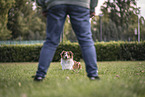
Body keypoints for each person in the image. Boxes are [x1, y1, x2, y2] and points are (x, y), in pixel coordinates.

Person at [34, 0, 100, 81]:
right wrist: (92, 7)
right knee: (86, 40)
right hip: (81, 4)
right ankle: (93, 74)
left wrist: (44, 6)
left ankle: (40, 75)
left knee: (51, 41)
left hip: (55, 3)